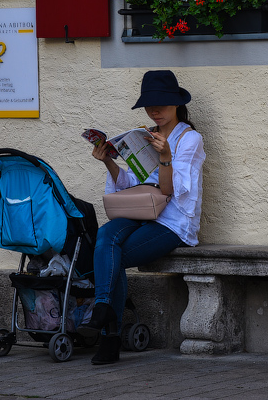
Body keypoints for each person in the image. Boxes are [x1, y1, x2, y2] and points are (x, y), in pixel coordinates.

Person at [79, 70, 206, 365]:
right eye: (149, 105)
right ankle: (103, 310)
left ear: (176, 104)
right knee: (106, 234)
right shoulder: (146, 136)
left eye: (161, 103)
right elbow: (130, 185)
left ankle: (109, 333)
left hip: (172, 220)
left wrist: (165, 157)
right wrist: (108, 161)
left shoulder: (190, 139)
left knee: (117, 255)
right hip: (143, 211)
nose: (155, 110)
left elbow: (169, 189)